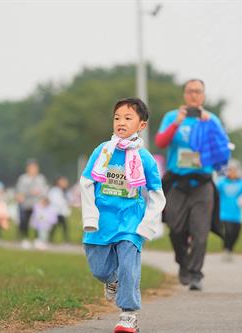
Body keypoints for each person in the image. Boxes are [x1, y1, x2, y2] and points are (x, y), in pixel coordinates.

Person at [80, 97, 165, 333]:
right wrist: (90, 217)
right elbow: (86, 182)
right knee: (99, 269)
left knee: (129, 266)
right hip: (101, 221)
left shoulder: (144, 158)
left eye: (128, 118)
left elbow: (157, 194)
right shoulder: (102, 151)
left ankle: (128, 315)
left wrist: (147, 225)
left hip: (130, 222)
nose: (121, 122)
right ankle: (112, 281)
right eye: (117, 118)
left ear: (141, 125)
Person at [155, 79, 230, 290]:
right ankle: (183, 262)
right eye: (190, 91)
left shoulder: (211, 119)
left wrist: (210, 125)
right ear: (184, 95)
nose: (194, 95)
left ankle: (196, 274)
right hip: (178, 182)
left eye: (198, 92)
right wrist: (177, 122)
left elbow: (222, 148)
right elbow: (160, 142)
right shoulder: (172, 116)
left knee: (200, 231)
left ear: (203, 96)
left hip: (202, 183)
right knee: (175, 227)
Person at [216, 159, 242, 262]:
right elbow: (214, 192)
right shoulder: (221, 183)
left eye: (234, 170)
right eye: (230, 170)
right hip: (224, 213)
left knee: (236, 233)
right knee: (228, 232)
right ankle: (226, 250)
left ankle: (230, 249)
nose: (232, 172)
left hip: (237, 214)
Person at [15, 159, 48, 249]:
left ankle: (38, 240)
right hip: (26, 204)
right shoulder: (23, 178)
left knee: (38, 222)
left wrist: (42, 198)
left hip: (37, 205)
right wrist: (29, 192)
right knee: (24, 221)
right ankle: (25, 239)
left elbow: (44, 190)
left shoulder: (41, 178)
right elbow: (19, 192)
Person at [48, 176, 72, 243]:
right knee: (54, 226)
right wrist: (65, 202)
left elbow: (70, 199)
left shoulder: (66, 191)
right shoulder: (54, 190)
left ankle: (66, 239)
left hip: (62, 212)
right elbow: (56, 200)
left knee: (65, 226)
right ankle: (50, 239)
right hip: (55, 211)